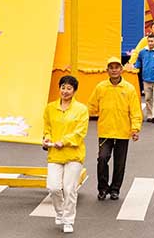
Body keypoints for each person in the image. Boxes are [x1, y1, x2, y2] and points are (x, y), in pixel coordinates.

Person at [88, 57, 142, 201]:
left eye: (116, 67)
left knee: (119, 163)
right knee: (102, 158)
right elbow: (92, 106)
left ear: (121, 69)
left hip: (123, 132)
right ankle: (102, 188)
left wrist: (135, 129)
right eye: (111, 67)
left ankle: (115, 189)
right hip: (105, 130)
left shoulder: (129, 89)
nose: (114, 70)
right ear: (107, 70)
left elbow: (135, 111)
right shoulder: (101, 87)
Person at [42, 75, 88, 234]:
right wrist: (47, 138)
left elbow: (80, 132)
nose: (65, 91)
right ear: (59, 88)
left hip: (74, 154)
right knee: (53, 187)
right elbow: (47, 127)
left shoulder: (81, 109)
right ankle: (60, 212)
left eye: (69, 88)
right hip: (55, 153)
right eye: (63, 87)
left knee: (69, 189)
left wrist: (65, 141)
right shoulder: (50, 108)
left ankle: (68, 220)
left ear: (74, 91)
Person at [133, 35, 154, 123]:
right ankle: (149, 115)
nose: (150, 43)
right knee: (148, 98)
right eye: (149, 41)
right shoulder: (143, 52)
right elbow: (139, 62)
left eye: (152, 41)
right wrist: (134, 67)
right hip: (146, 79)